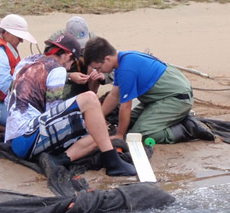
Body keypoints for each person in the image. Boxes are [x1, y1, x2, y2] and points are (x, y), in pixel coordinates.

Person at [5, 34, 136, 177]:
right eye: (72, 62)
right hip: (28, 139)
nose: (70, 67)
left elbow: (9, 99)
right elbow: (52, 111)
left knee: (98, 132)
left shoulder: (27, 61)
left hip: (14, 137)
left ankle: (60, 159)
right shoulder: (57, 70)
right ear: (68, 56)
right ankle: (113, 162)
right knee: (90, 101)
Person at [84, 37, 215, 144]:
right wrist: (96, 118)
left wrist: (119, 135)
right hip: (162, 97)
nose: (99, 72)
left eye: (99, 68)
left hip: (177, 98)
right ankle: (173, 119)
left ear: (107, 58)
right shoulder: (122, 60)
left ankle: (188, 128)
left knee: (137, 136)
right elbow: (114, 96)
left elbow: (126, 106)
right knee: (126, 122)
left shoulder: (126, 69)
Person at [49, 16, 113, 99]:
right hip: (63, 83)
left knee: (96, 64)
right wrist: (69, 76)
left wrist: (103, 76)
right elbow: (48, 72)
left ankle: (91, 97)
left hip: (87, 82)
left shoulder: (97, 43)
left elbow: (114, 68)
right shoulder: (55, 42)